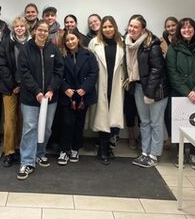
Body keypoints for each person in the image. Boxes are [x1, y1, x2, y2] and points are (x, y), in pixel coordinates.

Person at [17, 20, 64, 180]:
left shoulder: (53, 49)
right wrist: (37, 91)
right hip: (30, 98)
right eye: (40, 30)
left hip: (50, 98)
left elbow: (59, 70)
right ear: (34, 31)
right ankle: (27, 162)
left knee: (46, 128)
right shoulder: (25, 49)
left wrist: (51, 89)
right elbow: (24, 72)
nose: (43, 33)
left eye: (45, 30)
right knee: (30, 128)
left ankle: (40, 153)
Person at [166, 18, 195, 170]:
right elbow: (171, 72)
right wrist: (187, 92)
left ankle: (193, 154)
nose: (187, 30)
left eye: (190, 27)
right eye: (183, 28)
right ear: (179, 30)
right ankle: (180, 153)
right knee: (178, 123)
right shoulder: (174, 48)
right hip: (180, 93)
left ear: (194, 29)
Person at [125, 15, 169, 168]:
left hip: (156, 90)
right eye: (130, 25)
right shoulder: (129, 43)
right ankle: (145, 152)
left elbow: (157, 70)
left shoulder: (152, 44)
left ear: (142, 29)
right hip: (139, 87)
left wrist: (149, 92)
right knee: (144, 122)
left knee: (156, 123)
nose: (132, 29)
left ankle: (154, 155)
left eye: (135, 27)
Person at [58, 30, 98, 165]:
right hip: (67, 95)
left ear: (78, 39)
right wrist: (65, 88)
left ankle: (75, 149)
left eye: (72, 39)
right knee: (66, 123)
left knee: (79, 123)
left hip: (82, 96)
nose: (70, 42)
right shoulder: (61, 55)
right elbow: (57, 73)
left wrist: (84, 88)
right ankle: (64, 150)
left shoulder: (89, 54)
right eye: (67, 40)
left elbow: (94, 73)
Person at [88, 16, 125, 165]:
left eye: (110, 27)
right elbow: (89, 65)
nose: (108, 30)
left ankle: (109, 147)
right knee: (102, 117)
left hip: (117, 84)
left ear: (115, 28)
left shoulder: (122, 43)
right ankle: (102, 149)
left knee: (113, 116)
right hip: (100, 84)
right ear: (101, 29)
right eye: (105, 27)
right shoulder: (94, 43)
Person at [0, 17, 31, 167]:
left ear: (26, 27)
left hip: (27, 89)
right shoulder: (6, 43)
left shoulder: (32, 43)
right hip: (9, 87)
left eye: (22, 26)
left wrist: (23, 86)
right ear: (13, 28)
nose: (19, 28)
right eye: (16, 26)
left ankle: (20, 148)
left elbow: (33, 67)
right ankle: (9, 152)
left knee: (24, 120)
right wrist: (13, 85)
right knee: (10, 120)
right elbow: (2, 66)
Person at [159, 16, 178, 144]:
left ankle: (180, 139)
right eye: (168, 26)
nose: (171, 28)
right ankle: (171, 137)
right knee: (167, 112)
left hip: (179, 81)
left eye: (173, 25)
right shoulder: (160, 42)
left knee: (179, 111)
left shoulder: (184, 39)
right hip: (165, 80)